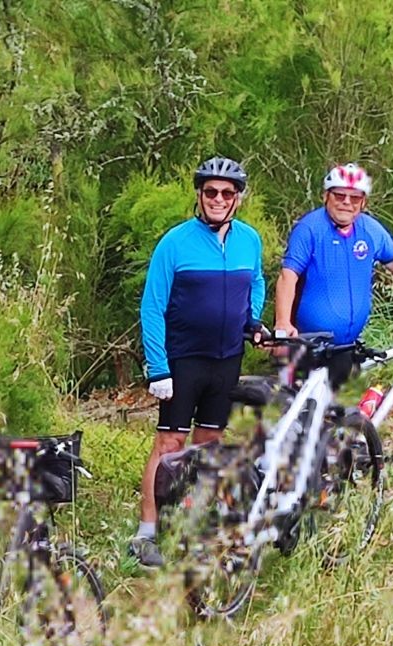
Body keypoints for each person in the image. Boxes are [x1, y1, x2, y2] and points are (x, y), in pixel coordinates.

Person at [131, 156, 267, 569]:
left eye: (227, 193)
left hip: (226, 358)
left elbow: (256, 279)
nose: (218, 199)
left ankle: (191, 521)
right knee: (169, 446)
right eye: (211, 191)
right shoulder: (175, 242)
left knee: (208, 445)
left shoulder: (249, 240)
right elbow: (152, 307)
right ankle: (147, 532)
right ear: (199, 195)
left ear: (238, 199)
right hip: (183, 360)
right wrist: (158, 368)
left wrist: (252, 318)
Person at [272, 163, 393, 355]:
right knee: (290, 385)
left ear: (363, 203)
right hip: (308, 345)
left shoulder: (370, 229)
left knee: (349, 385)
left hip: (349, 346)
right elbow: (288, 276)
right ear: (325, 196)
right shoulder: (309, 229)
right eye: (339, 195)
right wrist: (282, 324)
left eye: (355, 198)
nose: (347, 202)